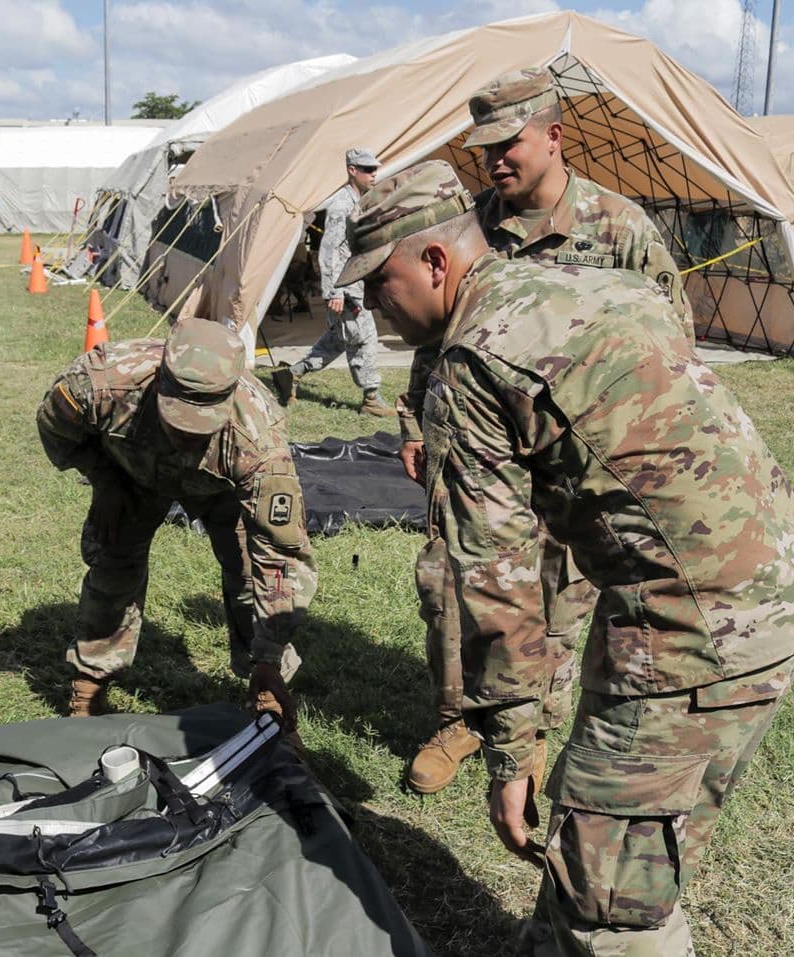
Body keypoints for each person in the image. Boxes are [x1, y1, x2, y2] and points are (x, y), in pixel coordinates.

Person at [338, 159, 794, 955]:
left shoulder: (470, 363)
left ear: (436, 261)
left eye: (380, 281)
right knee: (607, 833)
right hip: (760, 583)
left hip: (693, 628)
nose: (370, 302)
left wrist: (511, 752)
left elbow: (493, 577)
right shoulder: (593, 283)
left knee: (608, 892)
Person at [401, 68, 694, 795]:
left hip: (572, 458)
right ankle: (458, 719)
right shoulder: (470, 226)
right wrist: (416, 419)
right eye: (485, 148)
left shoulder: (619, 228)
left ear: (555, 136)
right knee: (454, 582)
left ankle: (528, 733)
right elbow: (437, 333)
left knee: (563, 594)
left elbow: (669, 343)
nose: (495, 159)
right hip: (478, 445)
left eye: (511, 143)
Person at [36, 317, 318, 726]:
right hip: (131, 473)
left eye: (201, 425)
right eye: (178, 418)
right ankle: (90, 683)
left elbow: (279, 556)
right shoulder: (101, 381)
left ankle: (264, 689)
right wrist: (105, 478)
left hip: (219, 488)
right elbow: (55, 427)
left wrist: (270, 655)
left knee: (245, 570)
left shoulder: (258, 438)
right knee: (114, 562)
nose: (187, 435)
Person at [271, 147, 397, 417]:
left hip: (353, 284)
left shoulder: (357, 200)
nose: (373, 174)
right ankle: (371, 398)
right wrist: (335, 292)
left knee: (339, 340)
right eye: (367, 170)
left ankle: (291, 375)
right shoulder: (341, 206)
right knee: (364, 338)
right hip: (346, 287)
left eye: (375, 169)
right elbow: (329, 252)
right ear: (352, 170)